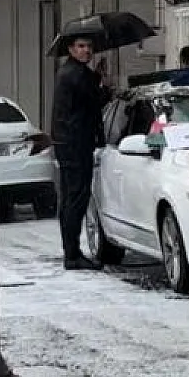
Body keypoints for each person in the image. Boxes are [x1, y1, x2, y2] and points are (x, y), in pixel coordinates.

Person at [51, 36, 112, 270]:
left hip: (69, 142)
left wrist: (96, 76)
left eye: (89, 46)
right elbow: (95, 99)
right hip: (74, 143)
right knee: (76, 198)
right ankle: (73, 254)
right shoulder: (74, 74)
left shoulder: (73, 72)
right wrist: (105, 85)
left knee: (71, 197)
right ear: (71, 49)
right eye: (81, 46)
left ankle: (72, 252)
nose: (87, 50)